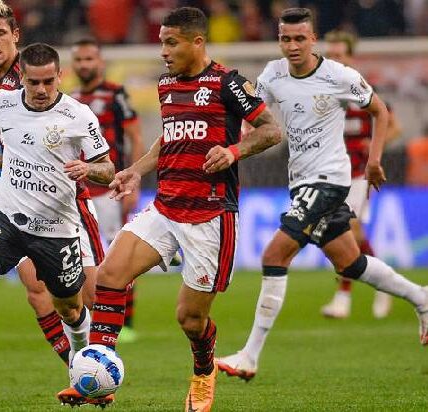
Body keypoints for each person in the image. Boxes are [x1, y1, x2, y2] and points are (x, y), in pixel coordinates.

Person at [57, 7, 281, 411]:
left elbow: (271, 130)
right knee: (110, 275)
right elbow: (169, 139)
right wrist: (134, 171)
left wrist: (233, 151)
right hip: (165, 206)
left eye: (170, 42)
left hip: (210, 216)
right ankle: (98, 376)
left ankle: (203, 371)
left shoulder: (228, 83)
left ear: (197, 42)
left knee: (189, 320)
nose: (163, 50)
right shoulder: (166, 85)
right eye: (161, 41)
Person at [216, 7, 428, 382]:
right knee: (350, 263)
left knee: (274, 254)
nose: (293, 46)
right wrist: (239, 140)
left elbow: (380, 111)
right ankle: (421, 298)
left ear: (313, 39)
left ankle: (249, 355)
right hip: (300, 181)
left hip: (330, 179)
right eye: (285, 38)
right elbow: (256, 120)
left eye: (300, 38)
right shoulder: (273, 74)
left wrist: (374, 162)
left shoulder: (338, 76)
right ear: (279, 39)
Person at [0, 4, 109, 398]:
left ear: (16, 35)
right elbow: (8, 134)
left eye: (0, 33)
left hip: (66, 207)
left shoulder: (30, 75)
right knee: (35, 291)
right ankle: (81, 375)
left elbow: (49, 135)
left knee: (82, 301)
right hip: (13, 206)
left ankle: (91, 369)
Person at [70, 38, 182, 344]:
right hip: (81, 192)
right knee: (90, 260)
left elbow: (133, 135)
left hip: (111, 189)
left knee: (118, 255)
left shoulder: (115, 94)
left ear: (100, 62)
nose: (84, 65)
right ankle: (96, 317)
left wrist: (133, 179)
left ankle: (127, 321)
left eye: (89, 59)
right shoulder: (71, 99)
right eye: (79, 60)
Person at [320, 30, 402, 319]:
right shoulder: (322, 91)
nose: (333, 59)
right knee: (347, 234)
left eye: (339, 55)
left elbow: (394, 125)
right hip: (329, 174)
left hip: (358, 174)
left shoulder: (363, 88)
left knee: (348, 230)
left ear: (350, 57)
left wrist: (375, 147)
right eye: (329, 54)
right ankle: (384, 284)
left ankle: (343, 298)